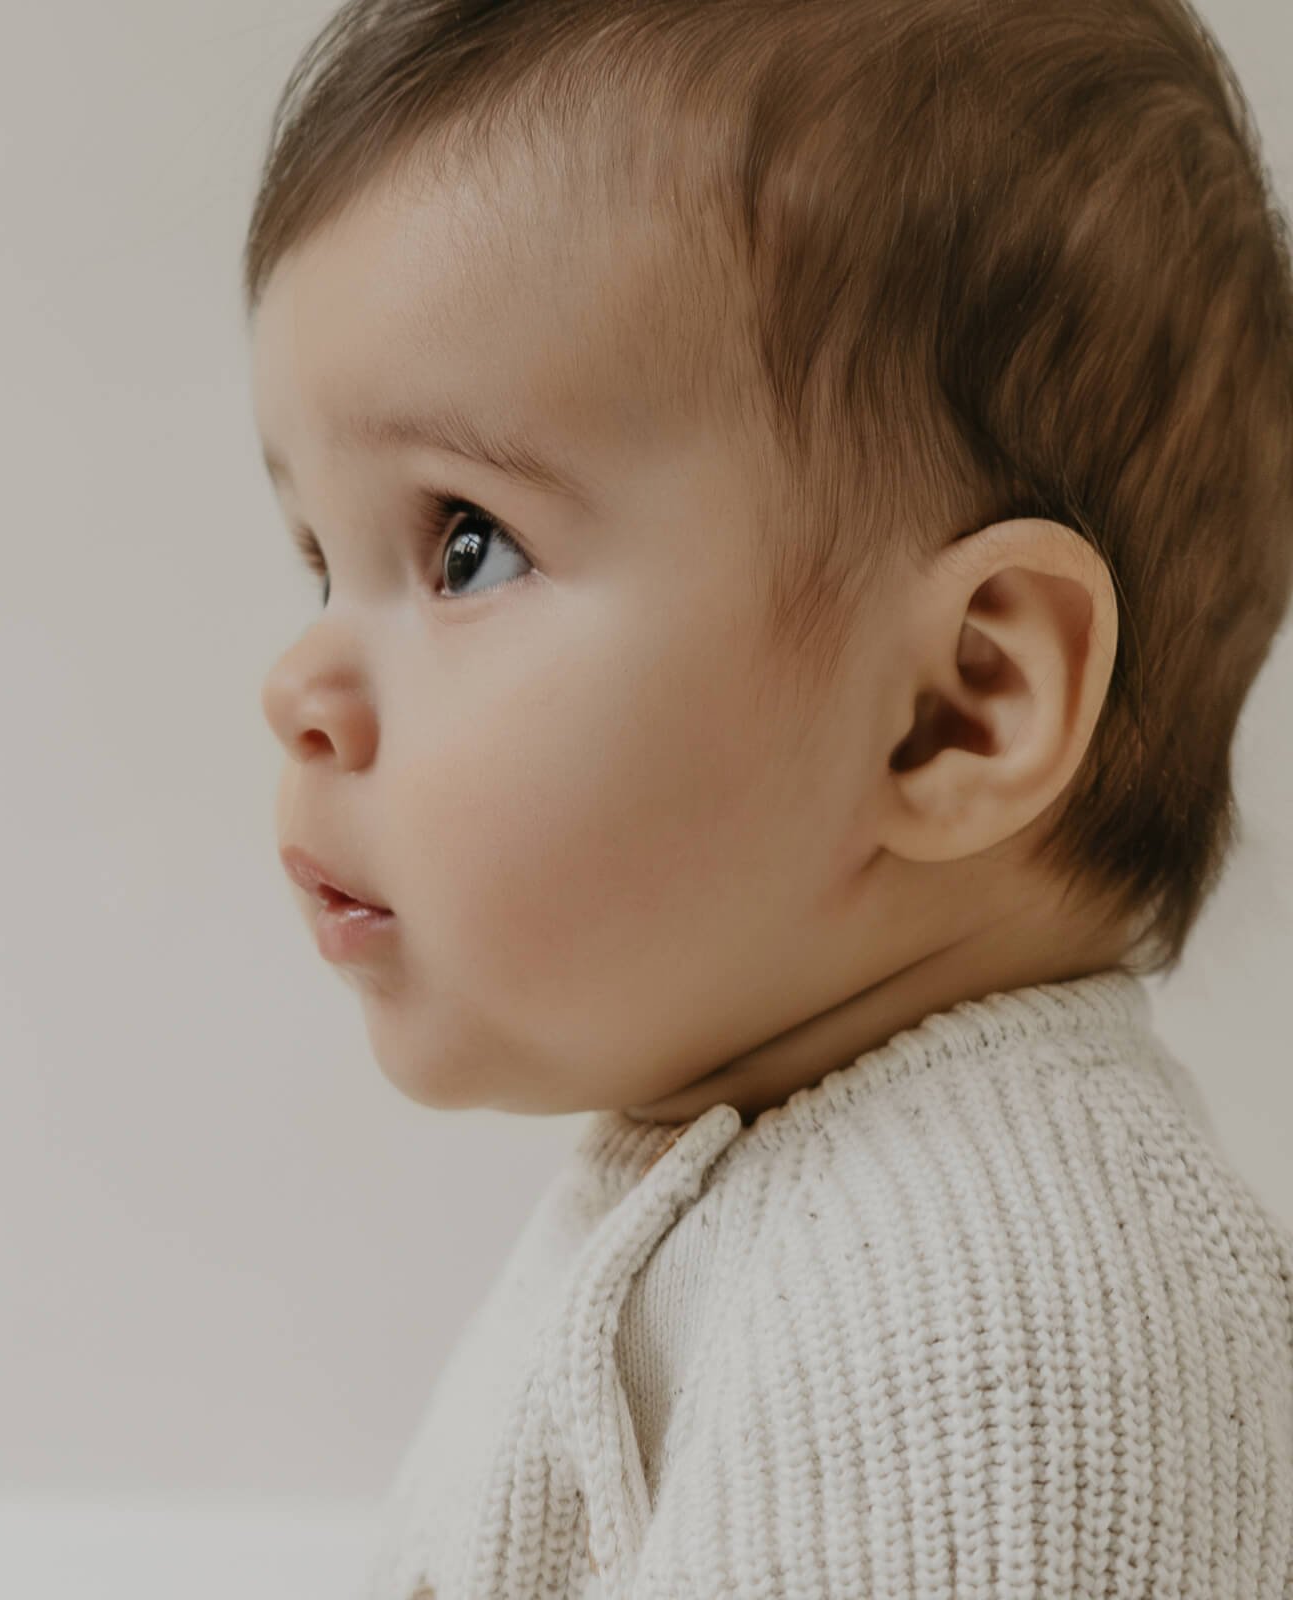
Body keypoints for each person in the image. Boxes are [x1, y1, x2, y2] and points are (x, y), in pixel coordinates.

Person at [245, 1, 1293, 1594]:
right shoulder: (769, 1185)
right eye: (324, 558)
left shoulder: (996, 1308)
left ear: (956, 708)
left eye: (466, 543)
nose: (299, 688)